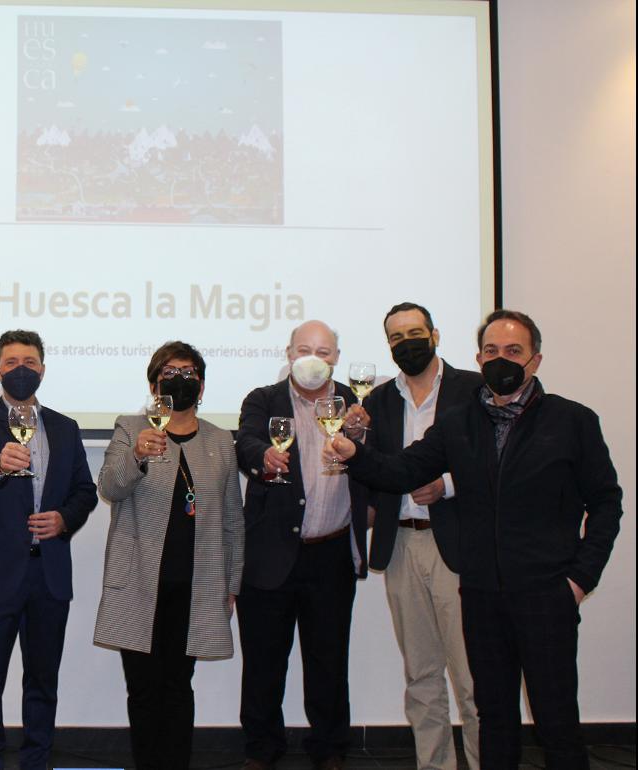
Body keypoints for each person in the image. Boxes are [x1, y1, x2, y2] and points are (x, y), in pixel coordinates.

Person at [328, 310, 623, 770]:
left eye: (513, 351)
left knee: (556, 722)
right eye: (491, 351)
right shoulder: (460, 422)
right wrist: (354, 453)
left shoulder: (572, 420)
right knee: (494, 719)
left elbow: (606, 503)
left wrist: (581, 579)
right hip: (482, 592)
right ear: (478, 357)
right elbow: (404, 469)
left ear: (536, 360)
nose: (500, 359)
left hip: (547, 592)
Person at [0, 330, 98, 770]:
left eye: (30, 361)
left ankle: (37, 760)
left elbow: (85, 492)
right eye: (11, 361)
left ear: (43, 370)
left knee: (42, 682)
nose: (21, 369)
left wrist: (65, 519)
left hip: (47, 576)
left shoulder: (66, 428)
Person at [93, 341, 244, 770]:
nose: (180, 379)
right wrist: (138, 454)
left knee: (180, 686)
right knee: (143, 690)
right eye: (170, 371)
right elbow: (110, 487)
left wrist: (232, 583)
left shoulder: (219, 440)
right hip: (139, 583)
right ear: (154, 381)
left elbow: (233, 517)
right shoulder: (131, 427)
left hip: (197, 586)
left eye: (189, 371)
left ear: (201, 382)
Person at [234, 320, 369, 770]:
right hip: (271, 553)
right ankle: (261, 749)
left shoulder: (353, 404)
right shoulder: (263, 399)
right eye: (306, 349)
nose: (315, 358)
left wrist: (364, 436)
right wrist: (262, 458)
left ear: (336, 357)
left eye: (325, 351)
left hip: (331, 554)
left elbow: (374, 463)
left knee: (329, 662)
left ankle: (330, 749)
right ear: (289, 353)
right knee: (263, 664)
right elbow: (246, 443)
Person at [362, 302, 482, 770]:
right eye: (395, 337)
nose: (405, 343)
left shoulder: (473, 389)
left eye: (414, 332)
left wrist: (448, 485)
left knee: (472, 678)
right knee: (422, 676)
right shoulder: (376, 401)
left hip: (458, 548)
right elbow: (373, 470)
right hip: (401, 548)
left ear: (435, 334)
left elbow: (495, 460)